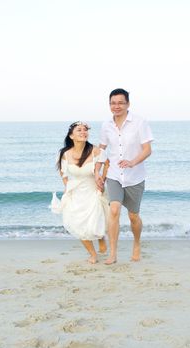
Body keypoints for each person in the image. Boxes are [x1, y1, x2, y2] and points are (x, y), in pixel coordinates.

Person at [94, 88, 153, 265]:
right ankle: (113, 253)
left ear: (128, 104)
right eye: (113, 103)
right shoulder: (106, 125)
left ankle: (136, 243)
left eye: (120, 102)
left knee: (133, 216)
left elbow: (147, 150)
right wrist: (97, 172)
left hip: (134, 176)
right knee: (114, 210)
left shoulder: (140, 122)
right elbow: (102, 150)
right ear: (109, 105)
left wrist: (132, 162)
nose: (116, 106)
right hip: (114, 175)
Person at [53, 121, 109, 264]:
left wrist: (102, 180)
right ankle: (93, 254)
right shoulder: (64, 154)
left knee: (94, 222)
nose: (83, 132)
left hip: (92, 190)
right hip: (75, 191)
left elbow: (107, 162)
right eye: (79, 130)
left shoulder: (95, 150)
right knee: (78, 224)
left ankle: (101, 237)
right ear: (71, 136)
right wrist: (67, 187)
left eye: (85, 130)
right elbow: (62, 172)